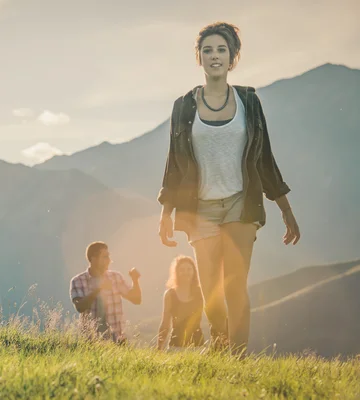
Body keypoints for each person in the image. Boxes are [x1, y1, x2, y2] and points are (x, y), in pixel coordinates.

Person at [157, 22, 301, 354]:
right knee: (211, 293)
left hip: (240, 204)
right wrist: (165, 214)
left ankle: (237, 358)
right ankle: (220, 349)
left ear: (232, 57)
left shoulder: (249, 101)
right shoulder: (184, 106)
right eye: (207, 50)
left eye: (221, 49)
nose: (214, 56)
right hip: (201, 210)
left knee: (235, 287)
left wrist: (286, 211)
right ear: (199, 58)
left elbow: (264, 157)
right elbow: (174, 165)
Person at [69, 241, 142, 343]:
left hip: (118, 339)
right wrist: (99, 289)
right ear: (93, 259)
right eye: (105, 257)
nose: (109, 260)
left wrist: (135, 280)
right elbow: (80, 307)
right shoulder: (78, 281)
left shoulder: (115, 277)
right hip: (91, 341)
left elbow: (136, 299)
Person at [157, 255, 205, 351]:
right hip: (175, 347)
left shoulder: (201, 293)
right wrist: (159, 347)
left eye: (189, 269)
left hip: (198, 346)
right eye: (182, 269)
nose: (185, 272)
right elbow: (165, 323)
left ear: (194, 272)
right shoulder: (170, 294)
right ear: (176, 272)